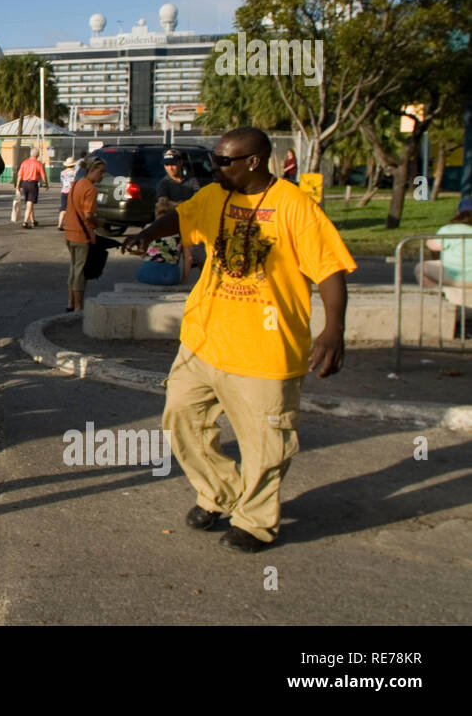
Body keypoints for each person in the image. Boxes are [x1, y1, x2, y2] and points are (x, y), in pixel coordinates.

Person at [121, 127, 355, 554]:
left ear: (254, 161)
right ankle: (220, 493)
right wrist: (149, 234)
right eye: (213, 160)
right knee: (182, 421)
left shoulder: (294, 206)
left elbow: (330, 270)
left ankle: (256, 520)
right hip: (202, 341)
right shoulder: (214, 196)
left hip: (265, 351)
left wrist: (333, 329)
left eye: (223, 161)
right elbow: (183, 216)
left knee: (266, 444)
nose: (214, 167)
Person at [63, 156, 106, 312]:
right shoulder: (91, 189)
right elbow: (88, 215)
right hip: (83, 235)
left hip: (70, 232)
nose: (102, 175)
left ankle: (71, 302)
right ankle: (79, 307)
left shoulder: (76, 184)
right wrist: (99, 223)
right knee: (80, 272)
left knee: (74, 269)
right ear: (92, 170)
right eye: (101, 172)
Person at [415, 198, 472, 290]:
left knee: (421, 268)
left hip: (456, 277)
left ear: (458, 213)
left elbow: (433, 246)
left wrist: (429, 240)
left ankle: (436, 293)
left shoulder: (449, 230)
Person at [135, 197, 190, 286]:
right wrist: (184, 281)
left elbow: (142, 253)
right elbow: (188, 258)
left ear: (157, 213)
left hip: (148, 272)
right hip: (170, 275)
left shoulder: (149, 228)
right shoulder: (182, 232)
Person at [16, 151, 47, 229]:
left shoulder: (24, 162)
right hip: (33, 184)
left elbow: (20, 175)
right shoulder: (38, 163)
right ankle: (25, 222)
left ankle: (33, 221)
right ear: (38, 155)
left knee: (29, 203)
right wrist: (46, 184)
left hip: (24, 184)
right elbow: (43, 175)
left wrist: (17, 185)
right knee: (30, 203)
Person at [57, 156, 78, 229]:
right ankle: (70, 224)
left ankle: (60, 224)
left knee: (63, 208)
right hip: (72, 192)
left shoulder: (62, 173)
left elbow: (62, 182)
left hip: (64, 191)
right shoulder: (75, 173)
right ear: (73, 165)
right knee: (72, 208)